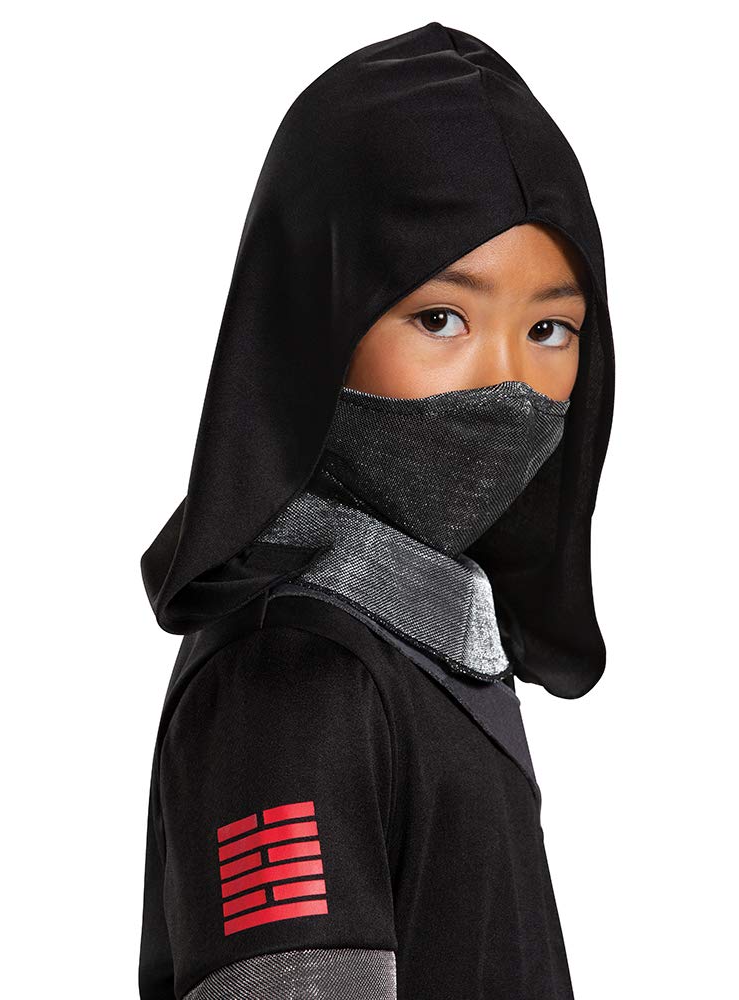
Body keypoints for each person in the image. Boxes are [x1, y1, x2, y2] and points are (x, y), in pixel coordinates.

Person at [137, 20, 615, 1000]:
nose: (508, 386)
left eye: (549, 328)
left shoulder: (427, 648)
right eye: (441, 318)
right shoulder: (291, 680)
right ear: (314, 323)